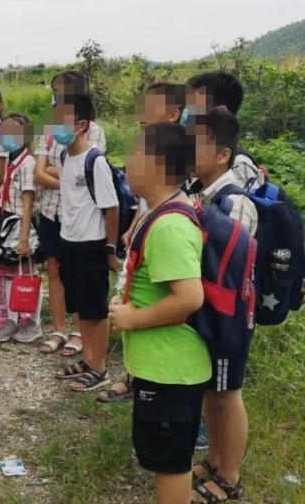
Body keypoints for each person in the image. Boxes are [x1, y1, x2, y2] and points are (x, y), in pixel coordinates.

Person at [110, 122, 208, 504]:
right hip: (163, 367)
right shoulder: (161, 212)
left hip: (172, 370)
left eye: (134, 156)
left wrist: (131, 318)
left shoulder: (169, 225)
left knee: (170, 464)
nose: (128, 165)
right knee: (164, 457)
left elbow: (189, 297)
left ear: (156, 163)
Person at [97, 82, 188, 403]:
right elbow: (150, 199)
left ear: (173, 114)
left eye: (150, 108)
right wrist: (135, 225)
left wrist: (133, 318)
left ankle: (147, 381)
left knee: (155, 295)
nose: (142, 115)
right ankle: (135, 376)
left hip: (164, 248)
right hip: (149, 234)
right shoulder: (154, 158)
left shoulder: (175, 157)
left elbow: (187, 296)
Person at [189, 107, 256, 501]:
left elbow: (234, 268)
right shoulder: (202, 194)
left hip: (229, 313)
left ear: (222, 154)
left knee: (228, 394)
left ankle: (229, 476)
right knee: (211, 389)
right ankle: (215, 459)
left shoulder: (236, 202)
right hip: (211, 308)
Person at [36, 70, 107, 356]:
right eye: (55, 90)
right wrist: (66, 178)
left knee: (78, 274)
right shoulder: (49, 129)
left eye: (62, 90)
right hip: (50, 211)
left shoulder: (95, 130)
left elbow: (85, 172)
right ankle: (58, 330)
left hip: (79, 216)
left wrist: (60, 174)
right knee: (53, 268)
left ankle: (80, 331)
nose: (57, 95)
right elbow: (38, 173)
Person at [53, 94, 119, 392]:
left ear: (81, 125)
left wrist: (109, 249)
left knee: (96, 309)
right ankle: (88, 358)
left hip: (92, 244)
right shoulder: (64, 156)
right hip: (69, 241)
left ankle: (100, 367)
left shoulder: (96, 161)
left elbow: (112, 208)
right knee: (80, 305)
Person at [0, 113, 42, 343]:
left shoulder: (28, 164)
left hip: (22, 224)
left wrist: (24, 238)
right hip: (8, 222)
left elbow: (28, 203)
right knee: (9, 272)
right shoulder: (12, 161)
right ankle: (11, 320)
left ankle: (33, 323)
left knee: (28, 273)